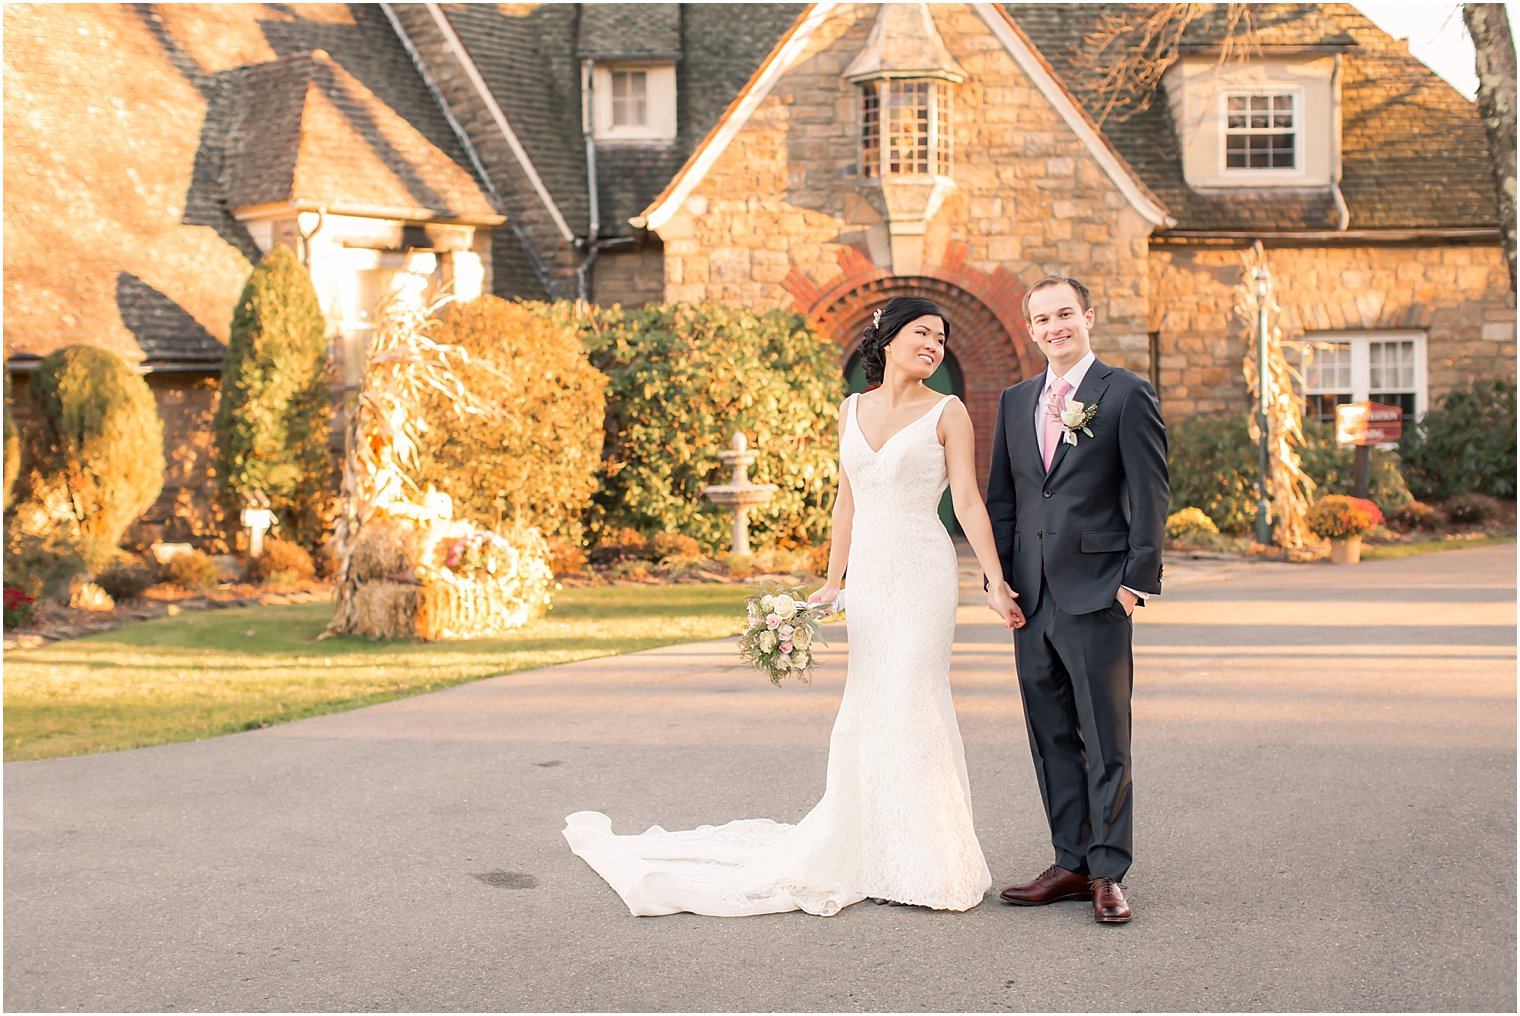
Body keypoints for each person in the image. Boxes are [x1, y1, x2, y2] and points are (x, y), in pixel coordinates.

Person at [563, 296, 1022, 917]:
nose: (934, 346)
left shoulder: (949, 411)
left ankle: (929, 859)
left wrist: (993, 580)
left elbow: (967, 501)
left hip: (922, 573)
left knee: (914, 696)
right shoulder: (851, 409)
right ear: (887, 340)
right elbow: (845, 501)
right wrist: (833, 581)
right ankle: (870, 850)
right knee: (869, 703)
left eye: (941, 339)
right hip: (869, 579)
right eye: (922, 333)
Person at [984, 275, 1168, 924]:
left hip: (1096, 594)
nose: (1056, 326)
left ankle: (1109, 872)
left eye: (1066, 313)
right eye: (1043, 318)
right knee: (1051, 736)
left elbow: (1151, 495)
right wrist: (997, 580)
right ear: (1030, 329)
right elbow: (1005, 500)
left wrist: (1132, 584)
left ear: (1087, 317)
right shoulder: (1014, 402)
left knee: (1105, 737)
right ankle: (1070, 861)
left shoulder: (1125, 394)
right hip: (1028, 599)